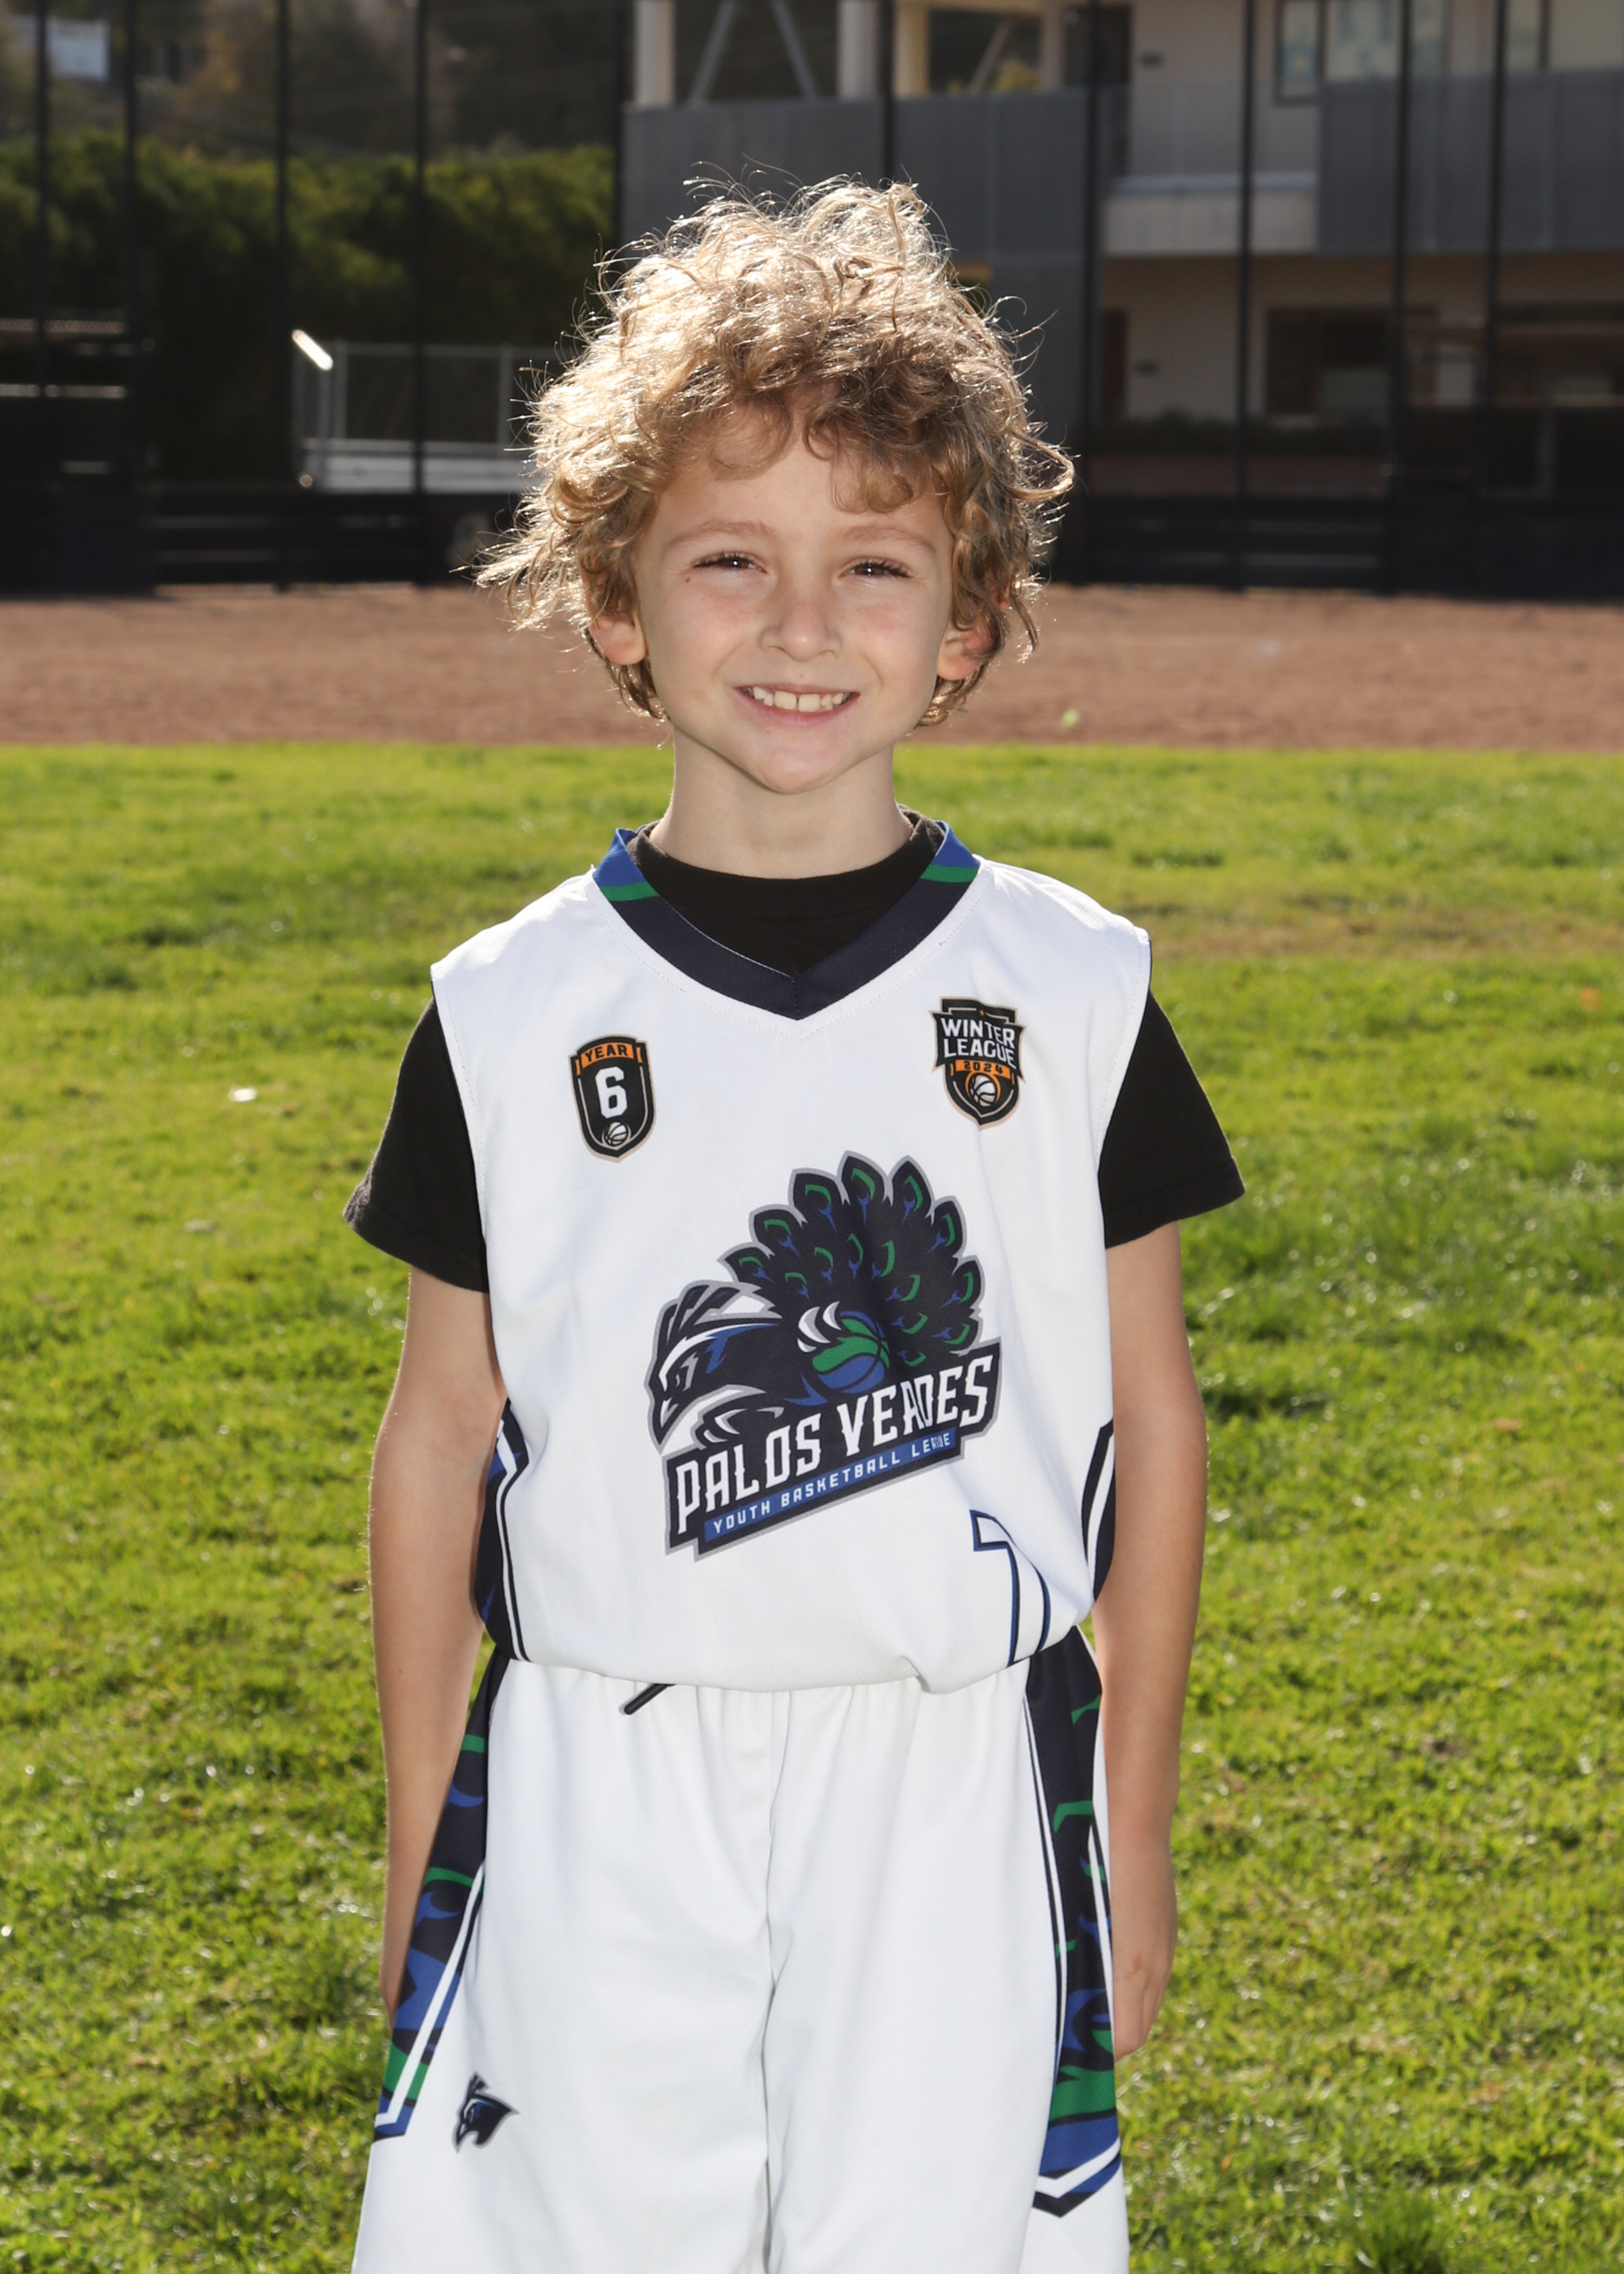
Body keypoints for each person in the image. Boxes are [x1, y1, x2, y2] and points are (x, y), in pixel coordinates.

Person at [343, 182, 1241, 2274]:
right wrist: (416, 1839)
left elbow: (1155, 1420)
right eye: (732, 558)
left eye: (877, 565)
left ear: (967, 626)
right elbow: (437, 1435)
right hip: (597, 1772)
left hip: (955, 1778)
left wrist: (1132, 1821)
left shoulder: (1072, 989)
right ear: (618, 607)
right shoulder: (509, 1011)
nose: (804, 625)